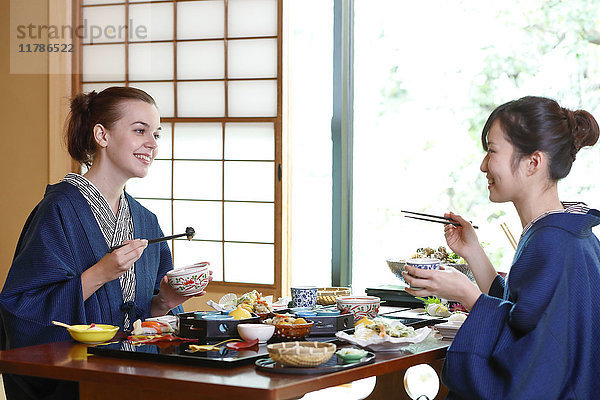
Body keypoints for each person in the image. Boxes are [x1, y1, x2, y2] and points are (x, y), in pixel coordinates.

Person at [0, 86, 210, 399]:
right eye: (140, 131)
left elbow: (145, 319)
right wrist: (101, 273)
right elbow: (21, 311)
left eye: (157, 134)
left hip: (134, 375)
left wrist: (164, 302)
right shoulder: (59, 209)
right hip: (81, 381)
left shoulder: (145, 219)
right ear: (102, 135)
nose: (152, 144)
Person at [403, 96, 600, 399]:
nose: (483, 165)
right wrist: (473, 253)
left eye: (492, 151)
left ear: (533, 162)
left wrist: (466, 294)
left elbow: (533, 361)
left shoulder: (553, 242)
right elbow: (523, 317)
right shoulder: (567, 230)